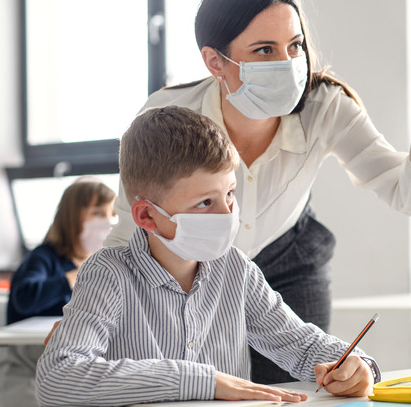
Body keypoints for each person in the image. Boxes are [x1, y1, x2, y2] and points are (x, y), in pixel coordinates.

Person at [103, 0, 411, 383]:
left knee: (304, 385)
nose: (287, 64)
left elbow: (409, 196)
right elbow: (130, 226)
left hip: (289, 260)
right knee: (200, 383)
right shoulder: (169, 115)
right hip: (192, 265)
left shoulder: (325, 106)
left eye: (295, 46)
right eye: (264, 50)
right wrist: (94, 311)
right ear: (215, 61)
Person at [36, 106, 380, 406]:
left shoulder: (234, 269)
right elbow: (57, 377)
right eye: (204, 203)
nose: (227, 214)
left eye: (229, 193)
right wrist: (203, 381)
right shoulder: (109, 273)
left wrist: (355, 366)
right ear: (146, 216)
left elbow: (302, 346)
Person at [0, 178, 116, 407]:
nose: (107, 221)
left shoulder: (99, 263)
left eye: (111, 213)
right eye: (97, 212)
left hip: (68, 364)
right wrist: (71, 277)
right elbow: (24, 298)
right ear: (73, 217)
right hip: (25, 367)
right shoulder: (43, 257)